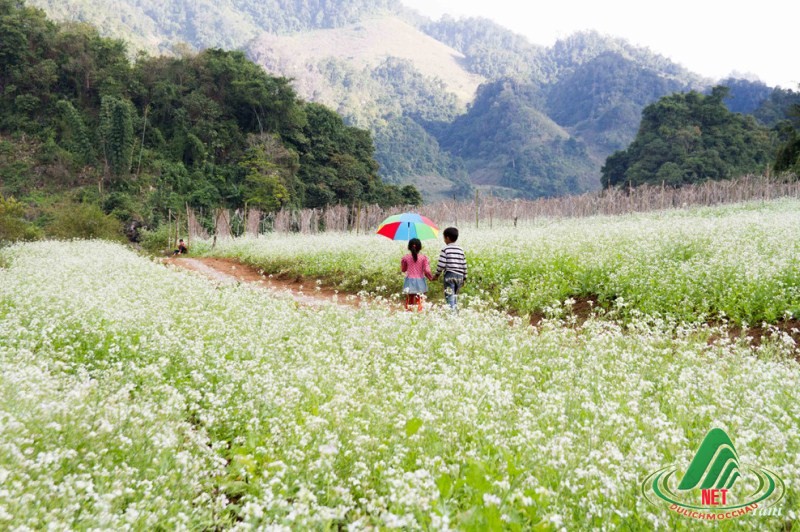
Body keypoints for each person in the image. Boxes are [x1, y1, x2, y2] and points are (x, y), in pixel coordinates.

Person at [433, 227, 467, 311]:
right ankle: (455, 313)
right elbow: (464, 264)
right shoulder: (460, 249)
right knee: (455, 296)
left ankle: (452, 315)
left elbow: (441, 264)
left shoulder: (445, 249)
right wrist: (465, 277)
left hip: (450, 275)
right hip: (460, 276)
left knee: (450, 296)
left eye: (444, 237)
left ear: (447, 238)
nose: (444, 240)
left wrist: (437, 274)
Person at [401, 238, 433, 311]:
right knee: (420, 299)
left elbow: (403, 270)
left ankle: (409, 313)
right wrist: (431, 278)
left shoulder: (405, 258)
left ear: (409, 247)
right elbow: (427, 270)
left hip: (409, 281)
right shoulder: (424, 258)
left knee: (410, 299)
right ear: (420, 247)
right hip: (420, 281)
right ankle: (420, 313)